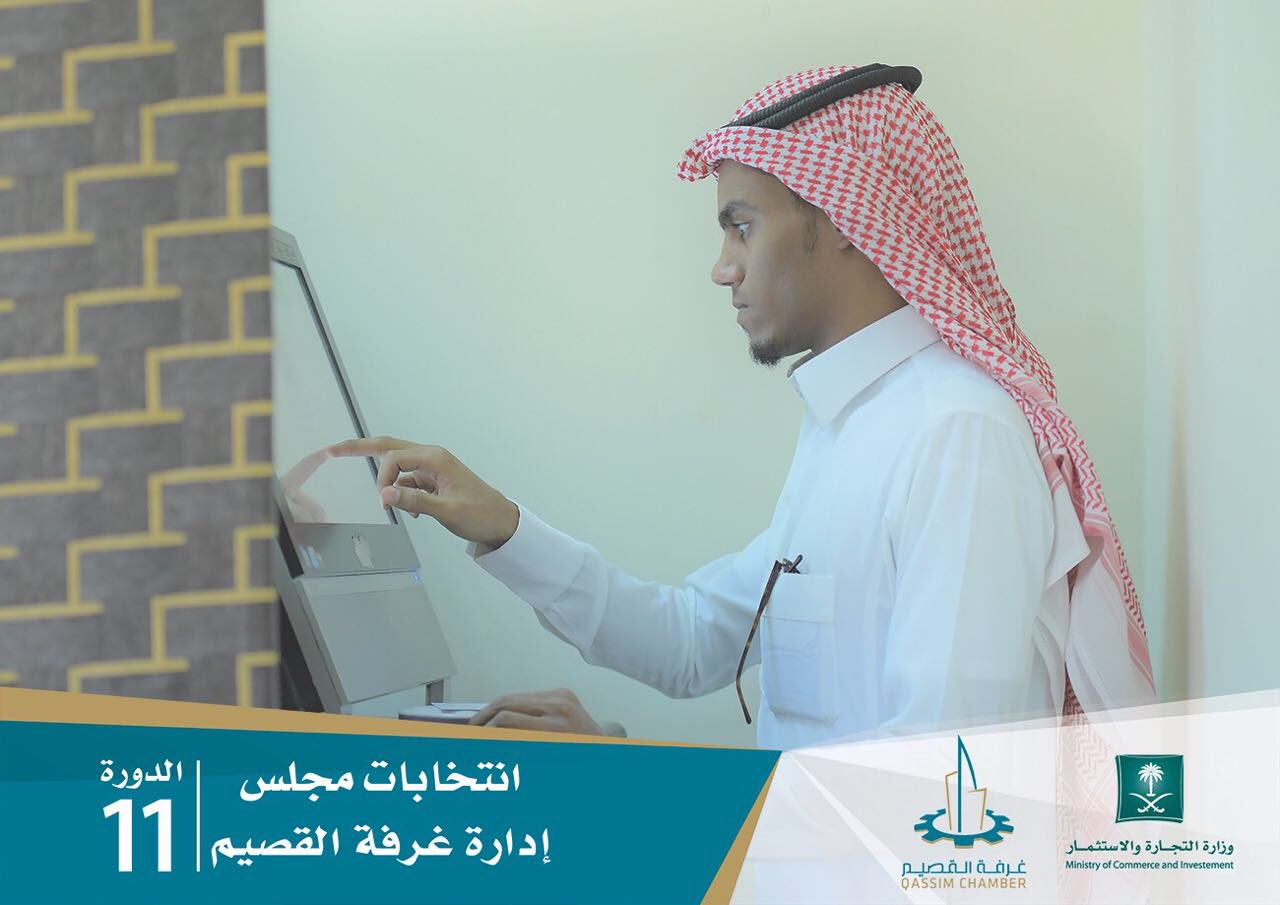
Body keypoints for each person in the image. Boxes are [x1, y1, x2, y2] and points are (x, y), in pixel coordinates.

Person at [329, 64, 1156, 749]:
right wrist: (505, 527)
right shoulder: (849, 430)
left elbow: (942, 805)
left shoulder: (956, 437)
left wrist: (636, 782)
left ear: (844, 217)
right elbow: (694, 638)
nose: (722, 268)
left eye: (741, 227)